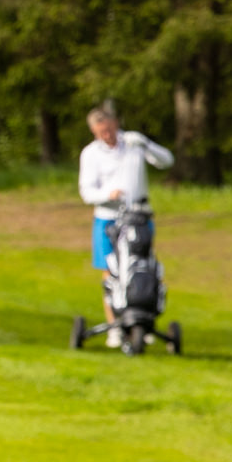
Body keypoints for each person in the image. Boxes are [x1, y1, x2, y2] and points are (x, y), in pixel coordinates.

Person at [78, 104, 173, 327]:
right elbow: (87, 192)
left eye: (109, 129)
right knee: (110, 271)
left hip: (139, 216)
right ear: (94, 131)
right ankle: (114, 326)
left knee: (143, 266)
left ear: (116, 124)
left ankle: (144, 322)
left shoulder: (133, 143)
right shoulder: (91, 154)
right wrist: (107, 195)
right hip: (107, 218)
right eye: (102, 132)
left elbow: (166, 161)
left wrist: (146, 144)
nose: (107, 135)